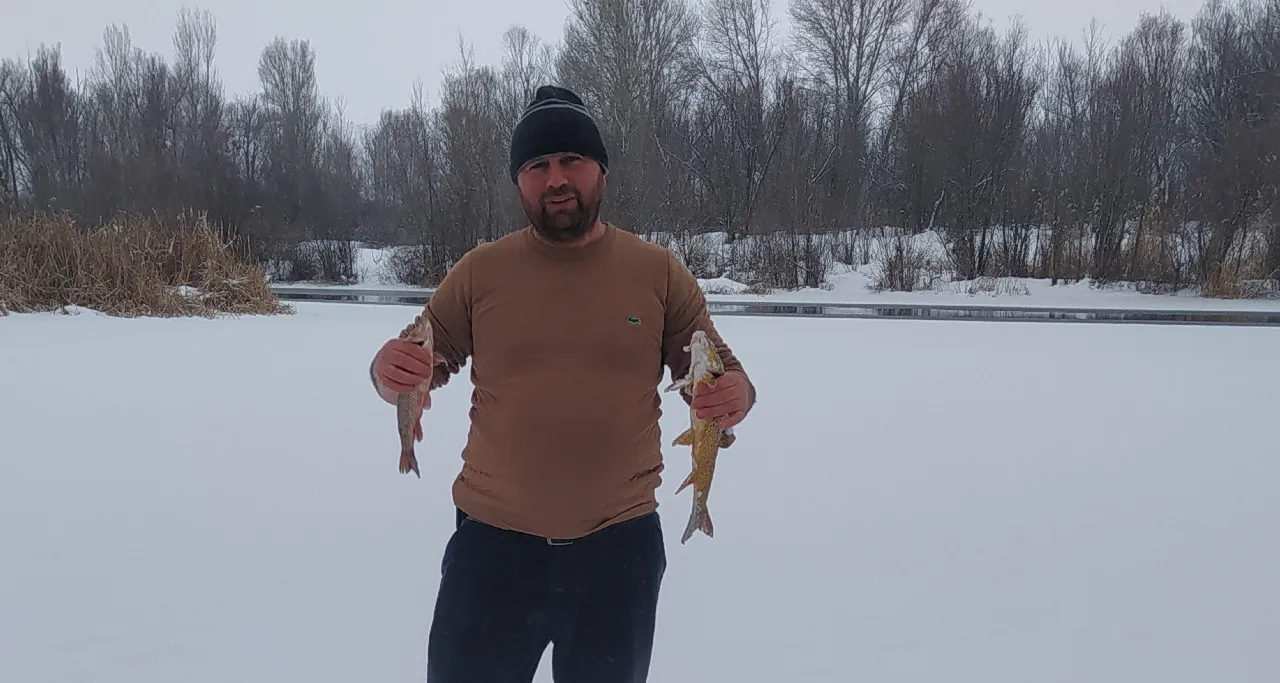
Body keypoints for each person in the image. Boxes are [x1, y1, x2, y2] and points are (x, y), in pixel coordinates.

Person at [368, 85, 757, 683]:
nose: (556, 178)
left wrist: (738, 396)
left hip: (617, 552)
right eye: (536, 165)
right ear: (519, 182)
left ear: (600, 169)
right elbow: (422, 353)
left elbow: (717, 370)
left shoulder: (655, 271)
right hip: (492, 550)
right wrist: (387, 369)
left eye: (570, 160)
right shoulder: (481, 271)